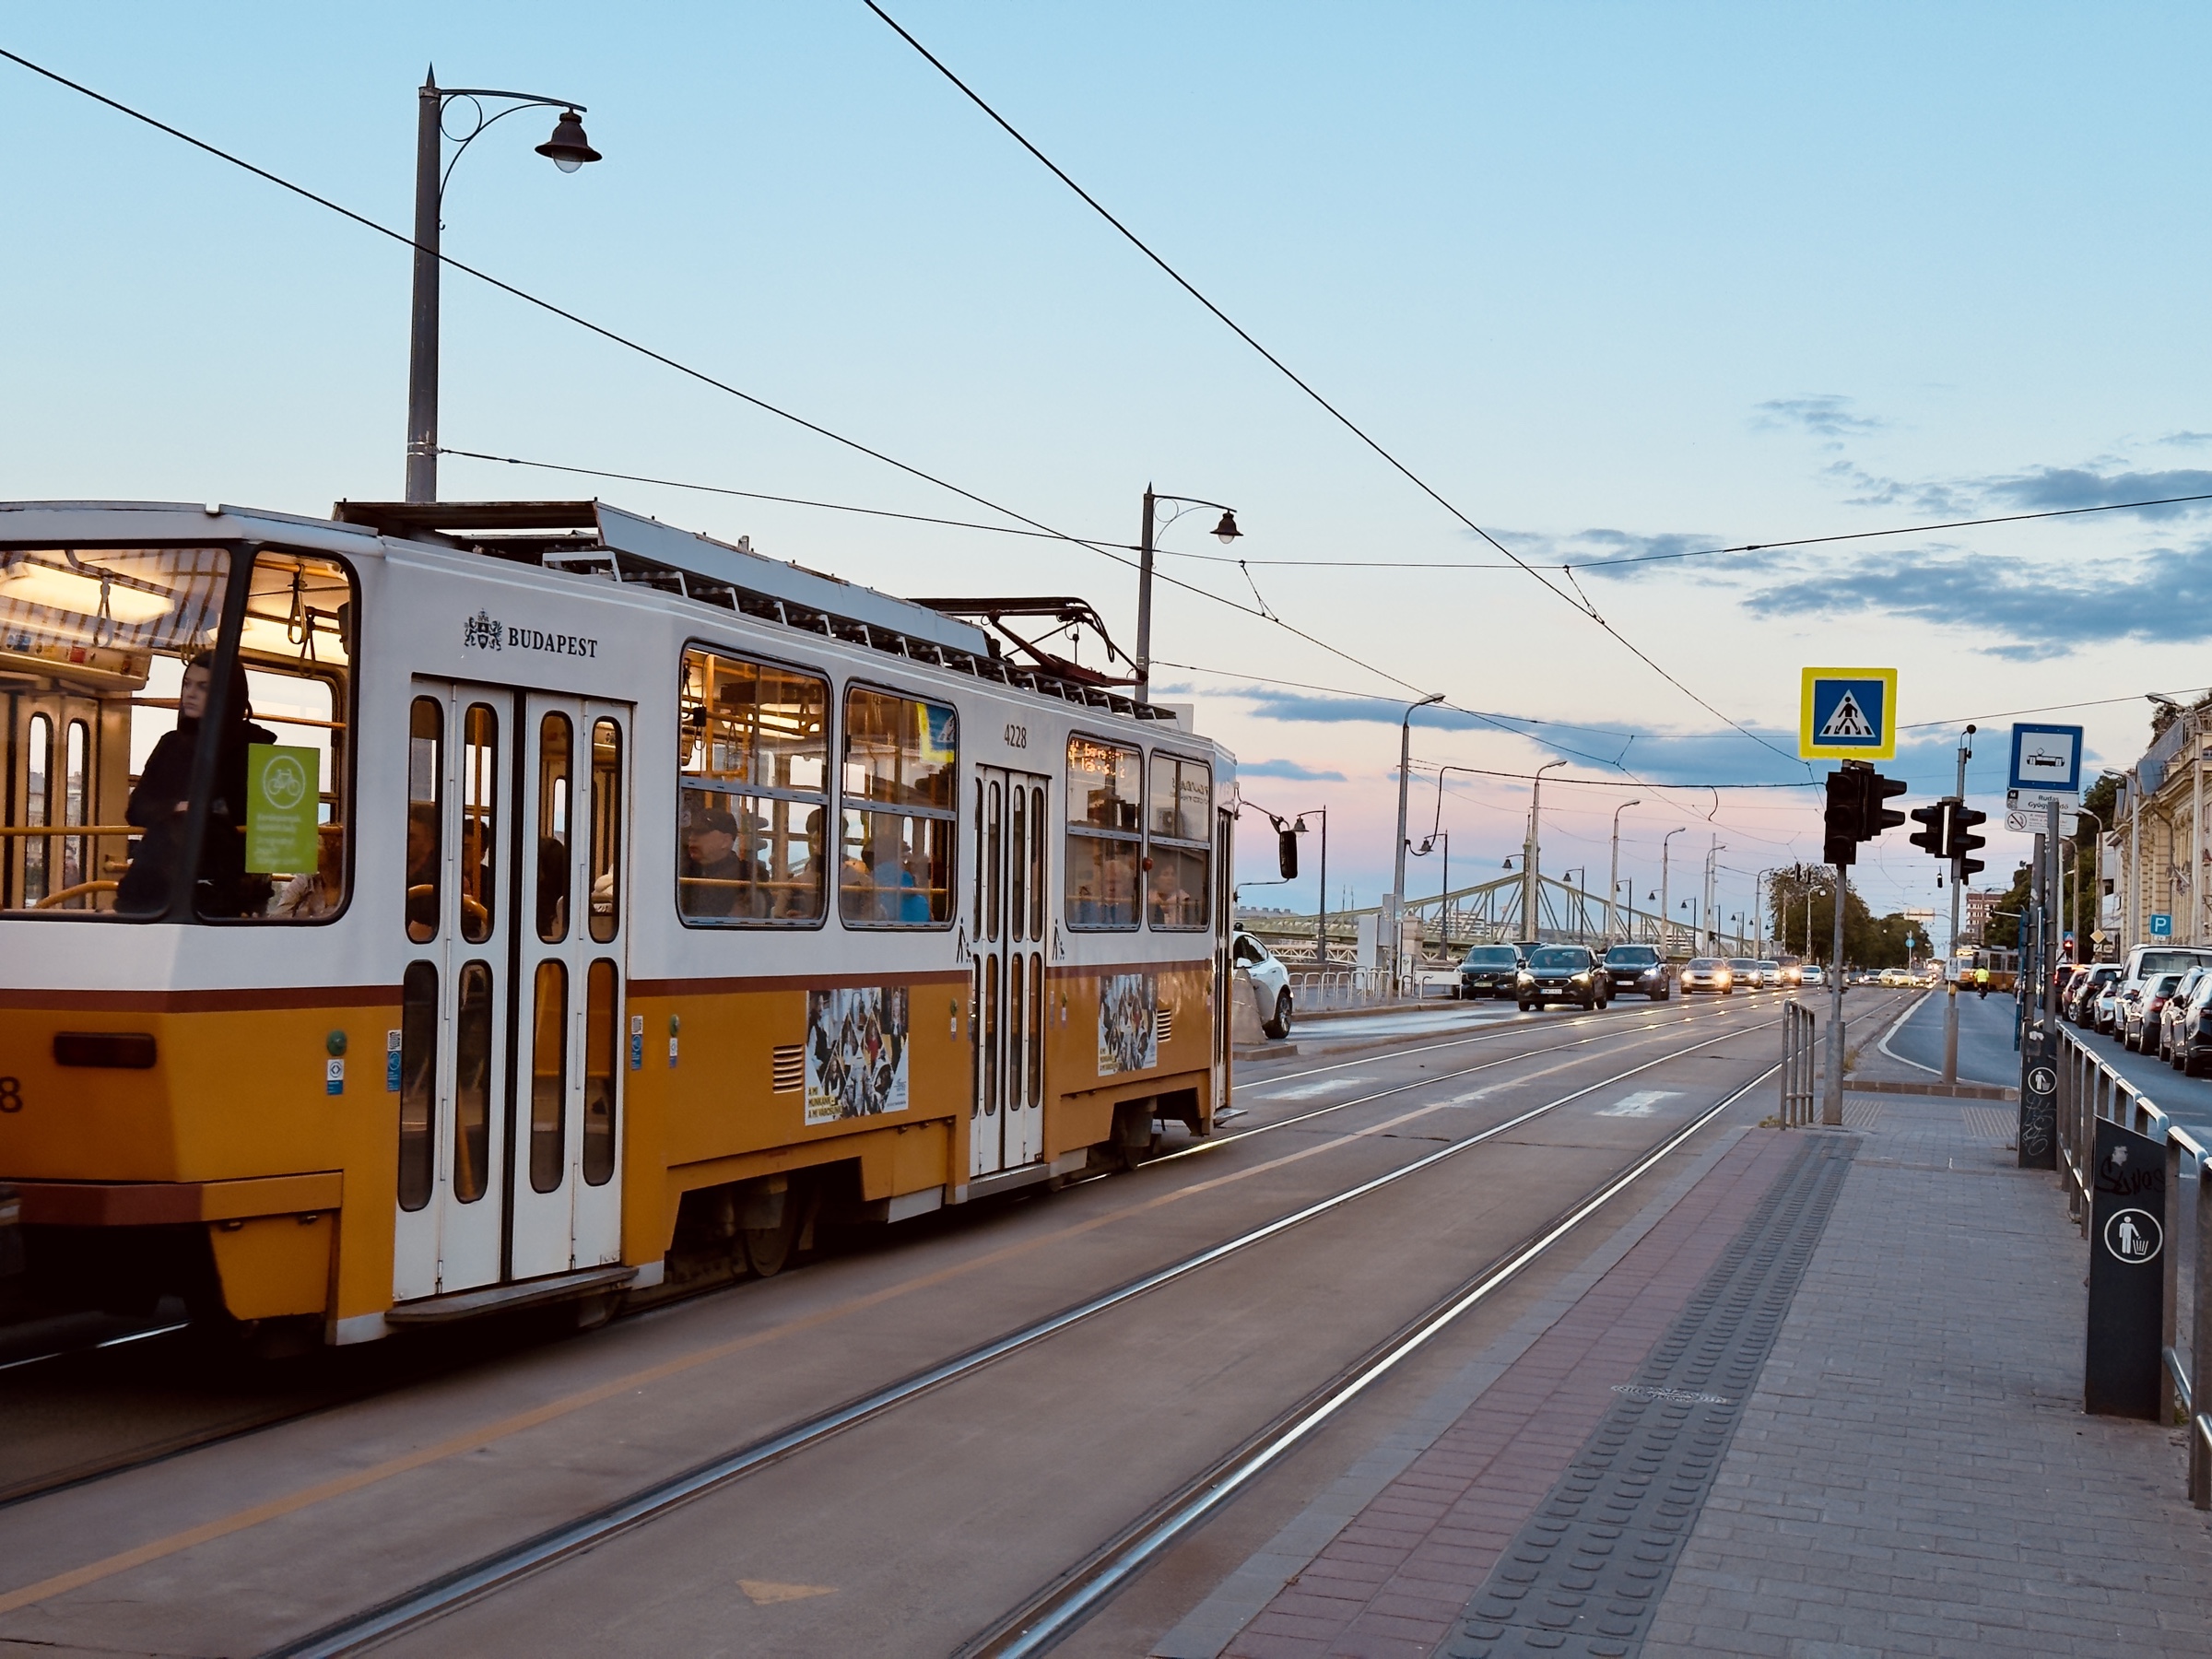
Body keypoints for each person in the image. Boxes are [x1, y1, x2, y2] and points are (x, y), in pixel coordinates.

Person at [116, 652, 277, 917]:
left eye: (203, 687)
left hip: (227, 878)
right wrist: (178, 808)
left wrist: (205, 812)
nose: (190, 694)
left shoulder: (254, 746)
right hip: (164, 877)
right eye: (187, 684)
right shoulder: (172, 744)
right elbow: (137, 808)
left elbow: (257, 816)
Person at [680, 804, 756, 918]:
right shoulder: (682, 870)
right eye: (691, 832)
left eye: (701, 832)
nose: (692, 838)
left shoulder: (746, 878)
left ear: (725, 841)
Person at [269, 827, 345, 919]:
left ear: (334, 850)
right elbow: (278, 918)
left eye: (317, 842)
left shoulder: (352, 886)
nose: (309, 848)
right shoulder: (305, 881)